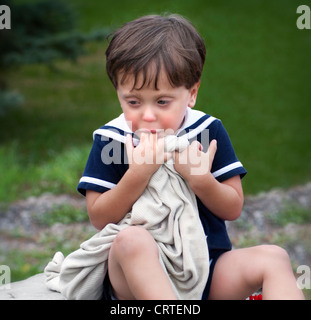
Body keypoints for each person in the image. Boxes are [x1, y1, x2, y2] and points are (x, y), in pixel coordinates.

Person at [77, 14, 304, 300]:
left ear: (192, 93)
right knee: (131, 240)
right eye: (132, 102)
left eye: (162, 101)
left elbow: (232, 208)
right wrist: (139, 172)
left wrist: (201, 180)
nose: (148, 115)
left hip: (206, 269)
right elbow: (99, 216)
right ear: (118, 94)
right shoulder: (113, 139)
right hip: (138, 277)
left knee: (274, 257)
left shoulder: (207, 132)